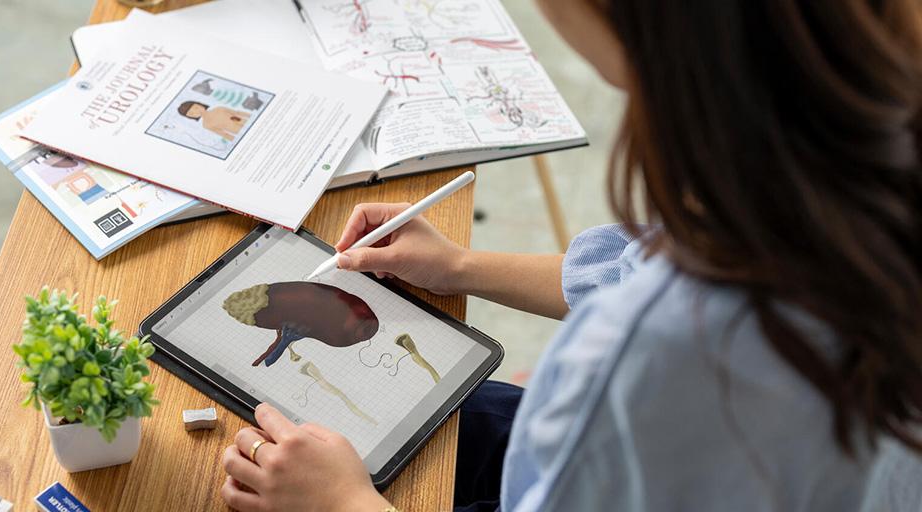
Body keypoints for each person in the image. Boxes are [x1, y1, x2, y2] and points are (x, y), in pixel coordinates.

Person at [219, 0, 922, 510]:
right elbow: (633, 268)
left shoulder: (654, 357)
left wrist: (344, 507)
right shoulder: (833, 166)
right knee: (459, 410)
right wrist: (459, 267)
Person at [177, 100, 250, 141]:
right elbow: (224, 134)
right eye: (191, 113)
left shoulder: (219, 109)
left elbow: (237, 113)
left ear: (200, 104)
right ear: (190, 117)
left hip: (247, 122)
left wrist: (251, 117)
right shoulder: (206, 125)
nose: (197, 112)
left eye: (196, 108)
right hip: (240, 132)